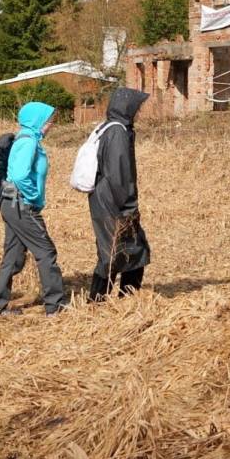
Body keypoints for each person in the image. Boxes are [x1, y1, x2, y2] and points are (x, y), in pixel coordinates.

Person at [0, 101, 68, 315]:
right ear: (37, 121)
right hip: (21, 204)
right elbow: (21, 175)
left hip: (12, 203)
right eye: (49, 121)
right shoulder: (28, 141)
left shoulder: (26, 139)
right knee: (46, 252)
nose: (51, 125)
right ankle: (56, 305)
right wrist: (32, 196)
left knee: (13, 256)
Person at [88, 88, 151, 300]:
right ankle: (97, 300)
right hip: (114, 202)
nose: (139, 111)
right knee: (115, 253)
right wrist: (128, 207)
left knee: (129, 251)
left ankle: (124, 298)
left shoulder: (112, 127)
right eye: (137, 107)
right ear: (127, 107)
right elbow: (118, 174)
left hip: (107, 199)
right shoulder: (117, 133)